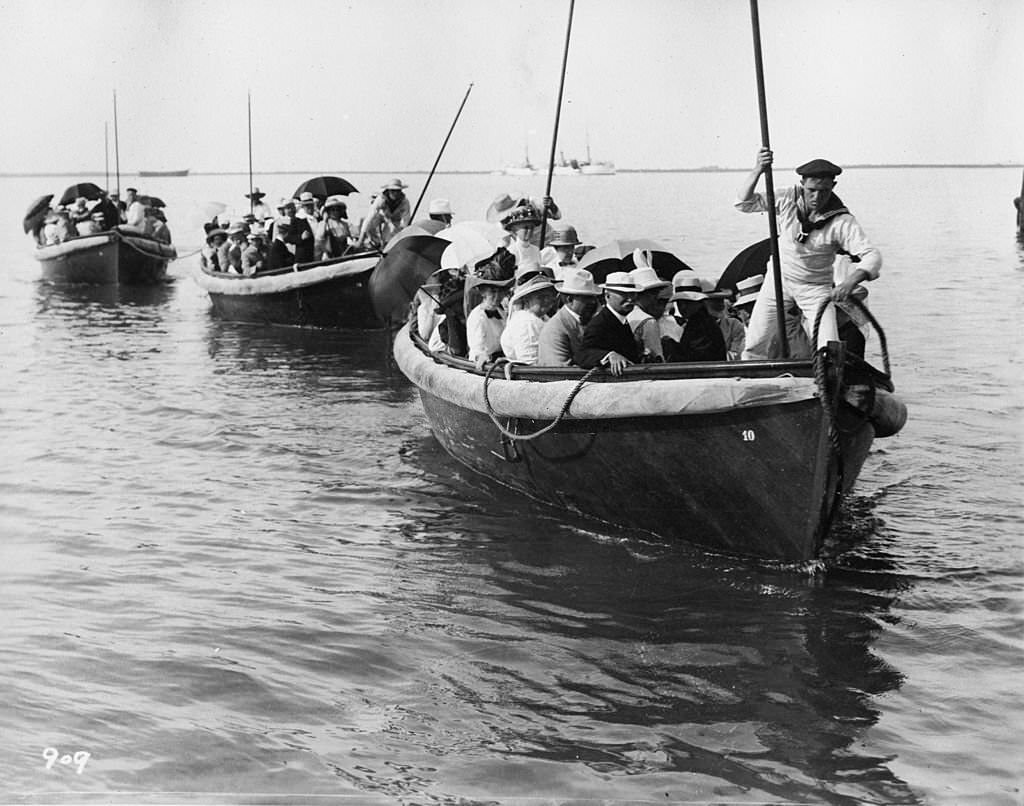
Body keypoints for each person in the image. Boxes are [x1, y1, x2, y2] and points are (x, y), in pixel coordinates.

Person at [736, 149, 882, 359]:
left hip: (815, 288)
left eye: (824, 191)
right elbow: (744, 203)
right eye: (811, 190)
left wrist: (850, 282)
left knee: (829, 349)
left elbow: (872, 256)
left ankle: (826, 381)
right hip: (779, 281)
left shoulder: (841, 220)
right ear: (802, 183)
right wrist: (758, 169)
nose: (816, 197)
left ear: (833, 186)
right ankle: (751, 379)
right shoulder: (787, 197)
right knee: (755, 344)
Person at [574, 271, 641, 375]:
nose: (630, 299)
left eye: (632, 293)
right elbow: (582, 354)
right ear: (607, 295)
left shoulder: (622, 321)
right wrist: (609, 355)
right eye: (623, 294)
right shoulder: (599, 323)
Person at [537, 267, 602, 366]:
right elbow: (559, 371)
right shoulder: (555, 329)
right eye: (586, 298)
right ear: (569, 299)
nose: (593, 302)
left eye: (593, 297)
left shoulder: (589, 320)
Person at [662, 275, 727, 363]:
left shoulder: (702, 325)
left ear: (699, 302)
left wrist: (671, 345)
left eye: (688, 303)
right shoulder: (697, 321)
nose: (683, 307)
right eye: (680, 303)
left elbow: (695, 358)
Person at [500, 277, 557, 365]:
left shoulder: (541, 318)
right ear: (527, 300)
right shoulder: (526, 322)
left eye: (549, 297)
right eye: (541, 297)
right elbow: (529, 361)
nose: (547, 301)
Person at [626, 262, 672, 363]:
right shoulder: (648, 322)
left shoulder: (624, 315)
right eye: (652, 293)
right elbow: (657, 357)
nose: (655, 298)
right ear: (639, 295)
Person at [465, 275, 513, 368]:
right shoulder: (477, 316)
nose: (497, 296)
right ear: (483, 293)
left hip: (501, 360)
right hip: (487, 364)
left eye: (501, 292)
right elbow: (477, 349)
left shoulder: (501, 312)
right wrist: (483, 358)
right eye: (493, 292)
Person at [357, 178, 411, 247]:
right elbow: (370, 217)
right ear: (388, 191)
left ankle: (387, 244)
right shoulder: (381, 199)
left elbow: (406, 221)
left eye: (397, 191)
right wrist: (360, 240)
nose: (395, 193)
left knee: (391, 236)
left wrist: (404, 235)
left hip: (395, 219)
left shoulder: (405, 202)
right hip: (381, 216)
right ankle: (374, 243)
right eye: (392, 191)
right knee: (371, 223)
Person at [705, 293, 746, 360]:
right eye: (714, 301)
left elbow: (736, 354)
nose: (720, 304)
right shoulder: (693, 328)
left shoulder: (733, 324)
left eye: (721, 300)